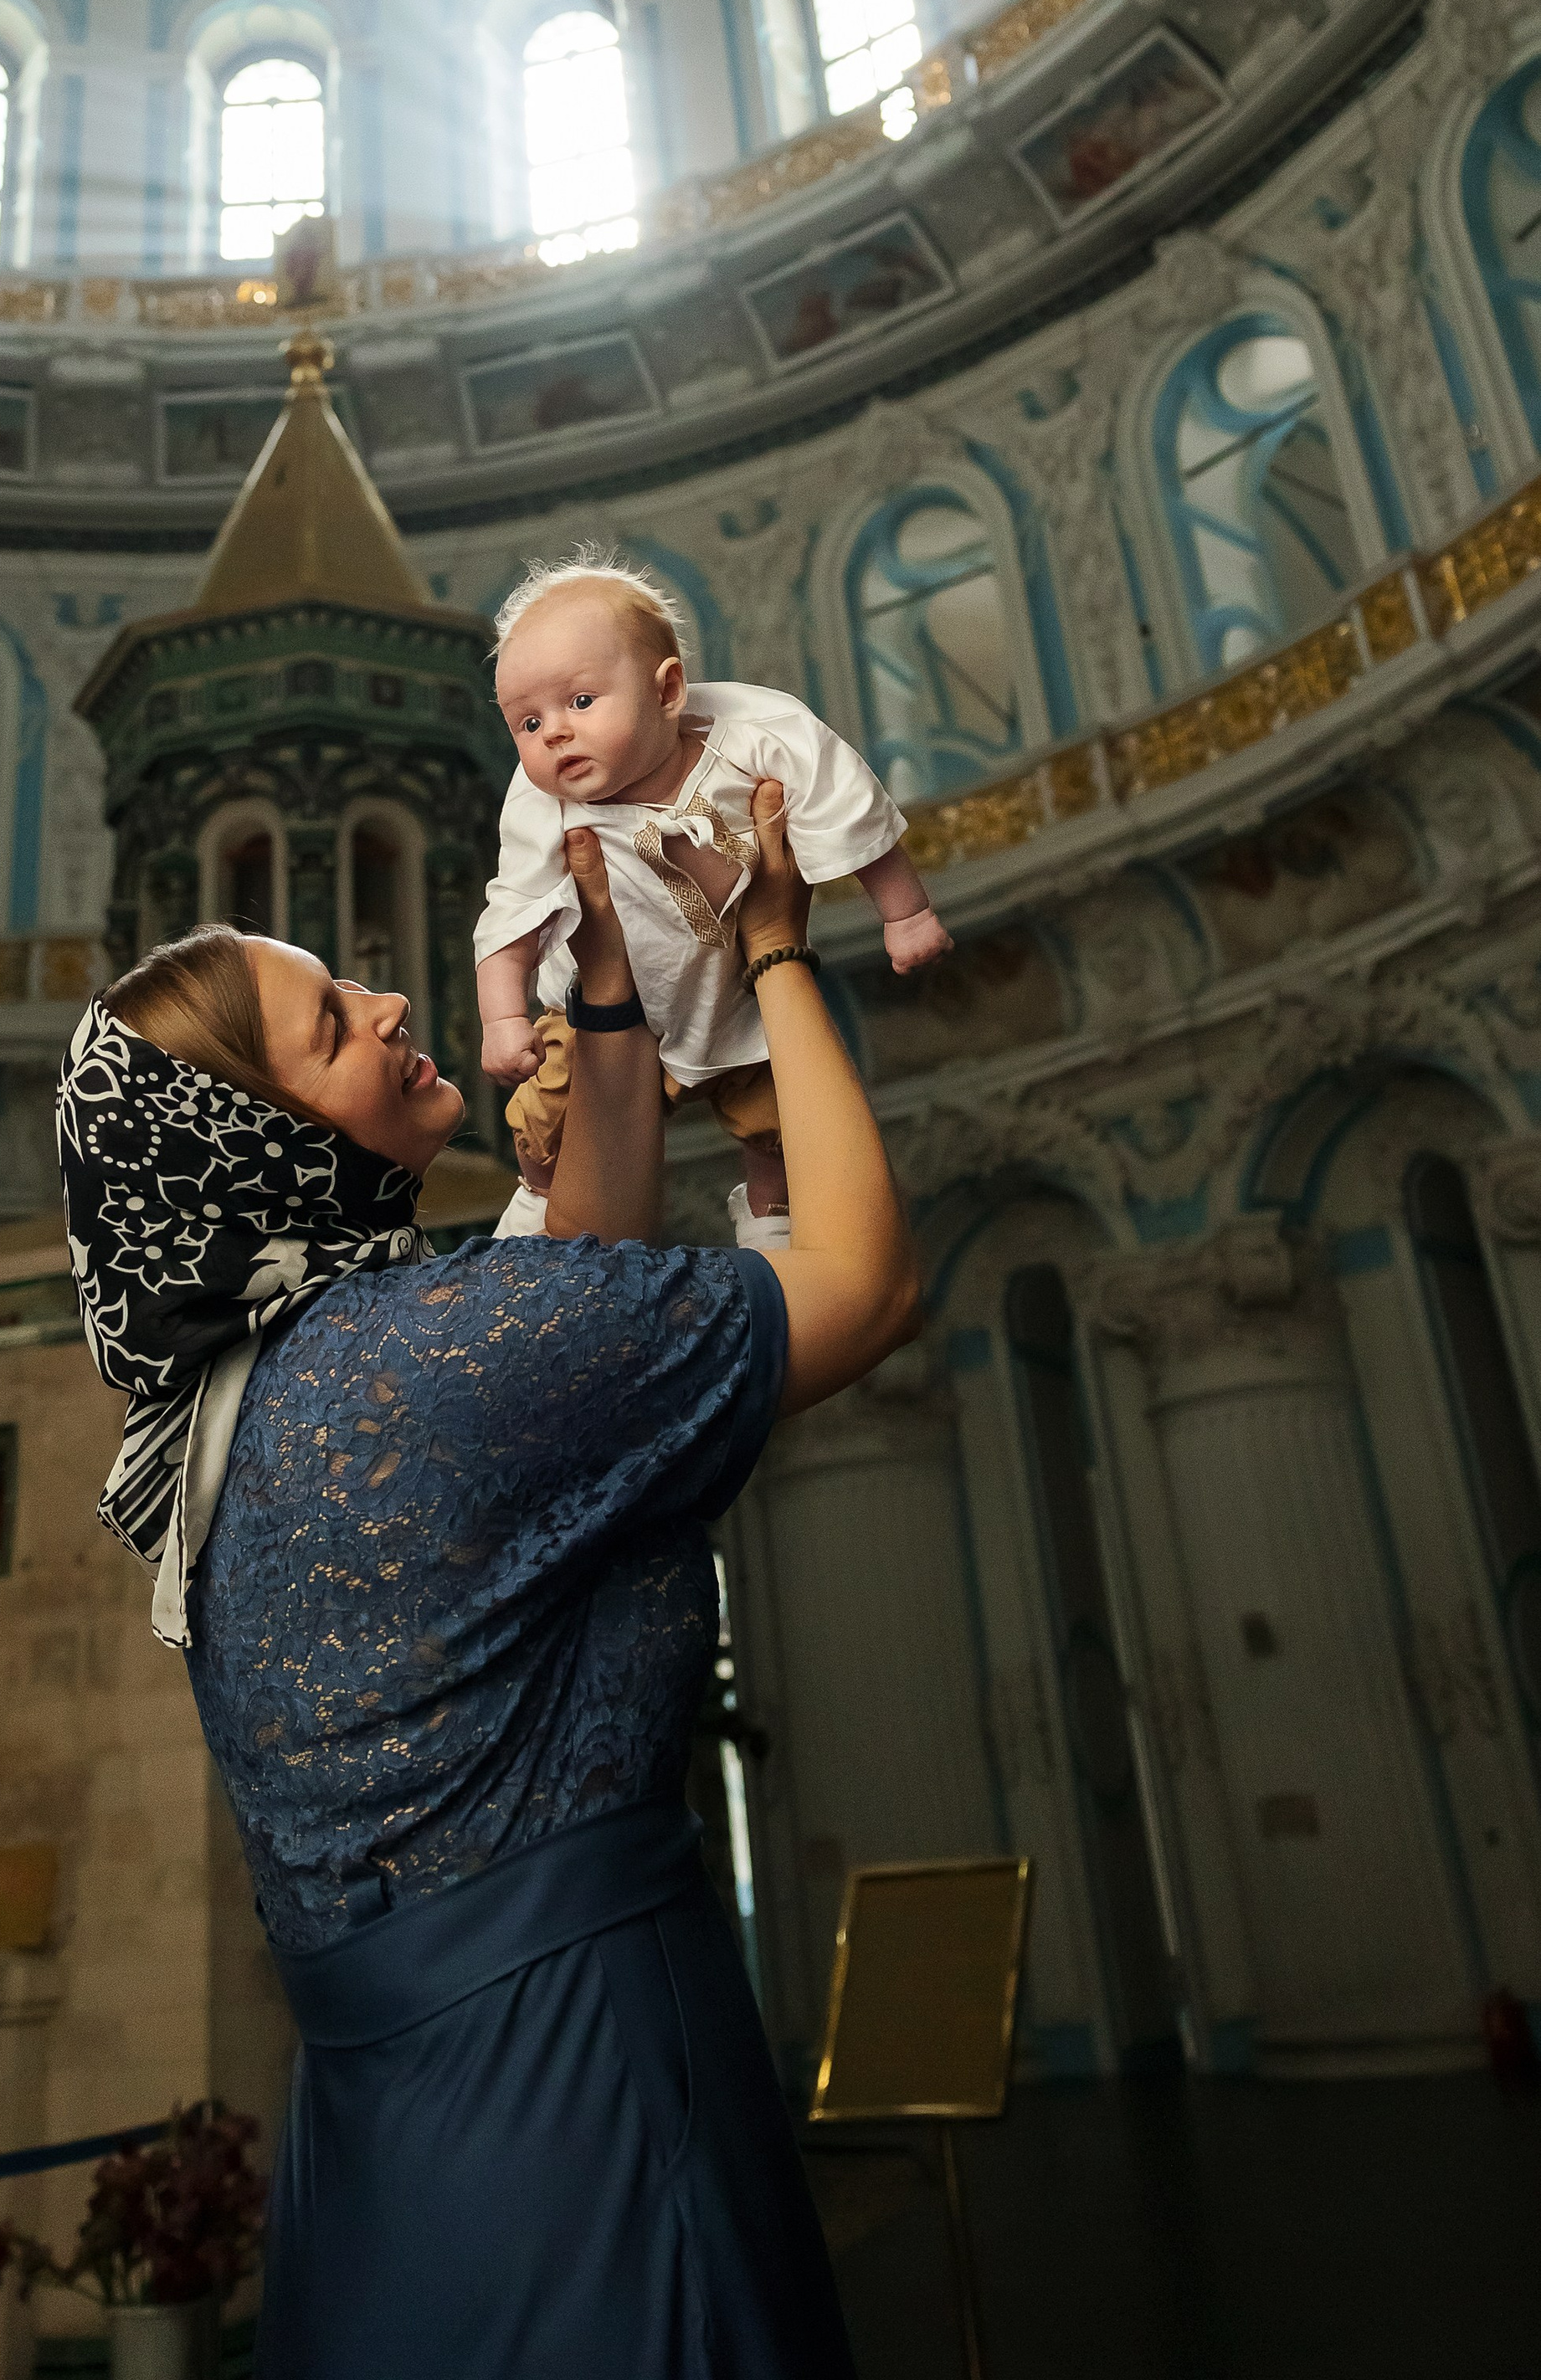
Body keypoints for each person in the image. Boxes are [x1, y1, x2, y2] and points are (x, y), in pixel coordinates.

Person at [57, 781, 919, 2380]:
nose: (384, 998)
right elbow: (865, 1288)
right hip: (582, 2104)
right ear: (266, 1134)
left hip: (399, 2148)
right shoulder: (427, 1356)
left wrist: (607, 992)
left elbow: (565, 1298)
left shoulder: (251, 1400)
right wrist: (779, 958)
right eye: (330, 1023)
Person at [474, 552, 949, 1244]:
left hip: (733, 999)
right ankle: (535, 1205)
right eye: (526, 723)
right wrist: (501, 1018)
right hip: (598, 1020)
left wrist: (906, 911)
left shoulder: (757, 736)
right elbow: (511, 909)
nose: (554, 733)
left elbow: (847, 804)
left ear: (667, 690)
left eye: (579, 702)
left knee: (779, 1125)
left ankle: (769, 1224)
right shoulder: (541, 804)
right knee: (547, 1123)